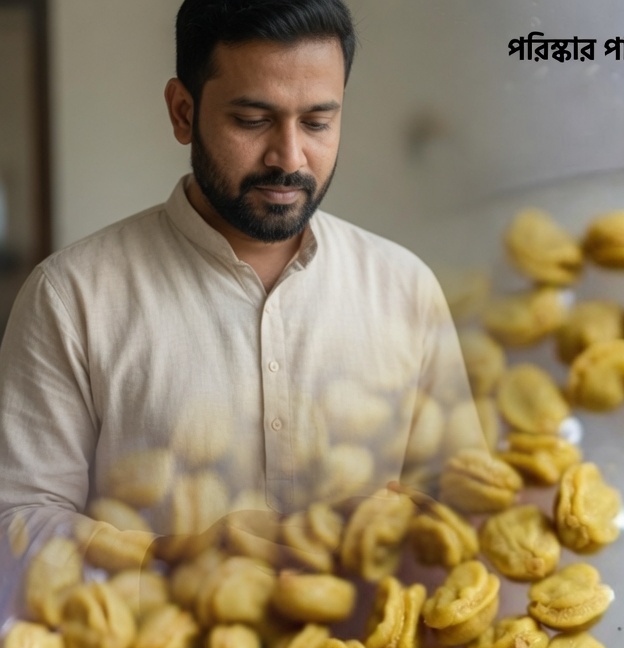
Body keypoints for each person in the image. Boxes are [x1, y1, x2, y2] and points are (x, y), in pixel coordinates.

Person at [0, 0, 483, 574]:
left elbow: (467, 511)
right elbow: (16, 523)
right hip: (150, 635)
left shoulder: (405, 288)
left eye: (317, 122)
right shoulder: (72, 298)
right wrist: (178, 563)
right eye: (253, 120)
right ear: (183, 112)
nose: (289, 158)